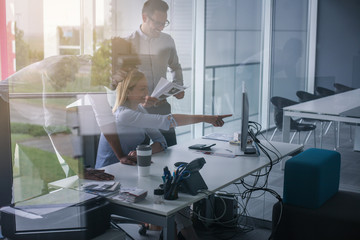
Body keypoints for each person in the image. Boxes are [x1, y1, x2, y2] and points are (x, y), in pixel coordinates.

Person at [95, 68, 231, 168]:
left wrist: (141, 152)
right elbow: (166, 121)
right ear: (128, 91)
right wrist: (206, 118)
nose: (147, 93)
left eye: (147, 88)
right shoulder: (124, 115)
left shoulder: (139, 109)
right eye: (142, 89)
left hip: (128, 166)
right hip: (109, 169)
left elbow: (161, 141)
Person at [125, 0, 184, 147]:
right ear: (144, 18)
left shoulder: (167, 40)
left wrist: (178, 86)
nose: (161, 27)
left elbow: (175, 66)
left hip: (162, 107)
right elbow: (122, 83)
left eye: (164, 23)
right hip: (139, 110)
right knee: (140, 153)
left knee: (170, 149)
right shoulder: (128, 44)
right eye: (158, 23)